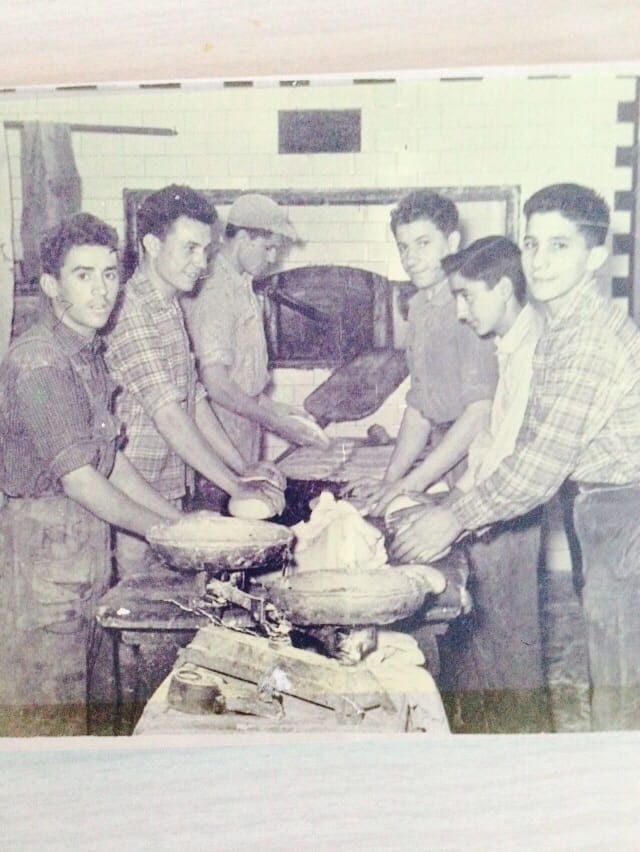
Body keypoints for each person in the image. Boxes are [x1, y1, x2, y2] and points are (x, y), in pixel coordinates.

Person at [391, 183, 640, 731]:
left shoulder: (588, 340)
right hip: (598, 510)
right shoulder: (562, 327)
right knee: (612, 666)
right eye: (532, 244)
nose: (541, 262)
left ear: (595, 256)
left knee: (622, 686)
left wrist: (454, 516)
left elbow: (540, 464)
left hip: (622, 514)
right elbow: (531, 446)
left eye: (560, 246)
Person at [0, 213, 182, 734]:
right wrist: (167, 534)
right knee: (48, 732)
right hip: (40, 568)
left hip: (82, 563)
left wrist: (184, 525)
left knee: (92, 722)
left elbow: (109, 459)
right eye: (83, 275)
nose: (102, 290)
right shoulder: (40, 362)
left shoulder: (84, 352)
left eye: (109, 273)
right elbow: (81, 479)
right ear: (50, 285)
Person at [104, 185, 278, 578]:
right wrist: (235, 487)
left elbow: (194, 401)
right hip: (133, 504)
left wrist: (244, 468)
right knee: (145, 615)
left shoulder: (169, 306)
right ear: (151, 243)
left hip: (169, 491)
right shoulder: (130, 310)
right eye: (190, 248)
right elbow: (168, 414)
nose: (201, 263)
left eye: (205, 249)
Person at [429, 236, 550, 733]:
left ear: (503, 288)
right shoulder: (510, 343)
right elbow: (488, 441)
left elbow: (507, 456)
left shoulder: (532, 350)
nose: (460, 311)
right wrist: (447, 497)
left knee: (510, 652)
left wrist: (452, 510)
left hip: (510, 518)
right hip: (491, 508)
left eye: (467, 296)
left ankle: (522, 755)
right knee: (485, 642)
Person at [363, 190, 498, 516]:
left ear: (452, 242)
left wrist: (410, 484)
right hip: (449, 457)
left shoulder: (468, 305)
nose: (411, 258)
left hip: (485, 461)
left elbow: (480, 412)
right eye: (404, 247)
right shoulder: (421, 306)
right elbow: (420, 407)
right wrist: (390, 482)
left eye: (423, 243)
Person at [182, 192, 329, 469]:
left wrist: (275, 410)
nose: (273, 258)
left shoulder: (242, 282)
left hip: (242, 422)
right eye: (268, 247)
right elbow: (215, 383)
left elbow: (240, 376)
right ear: (244, 237)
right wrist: (276, 423)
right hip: (218, 432)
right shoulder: (216, 290)